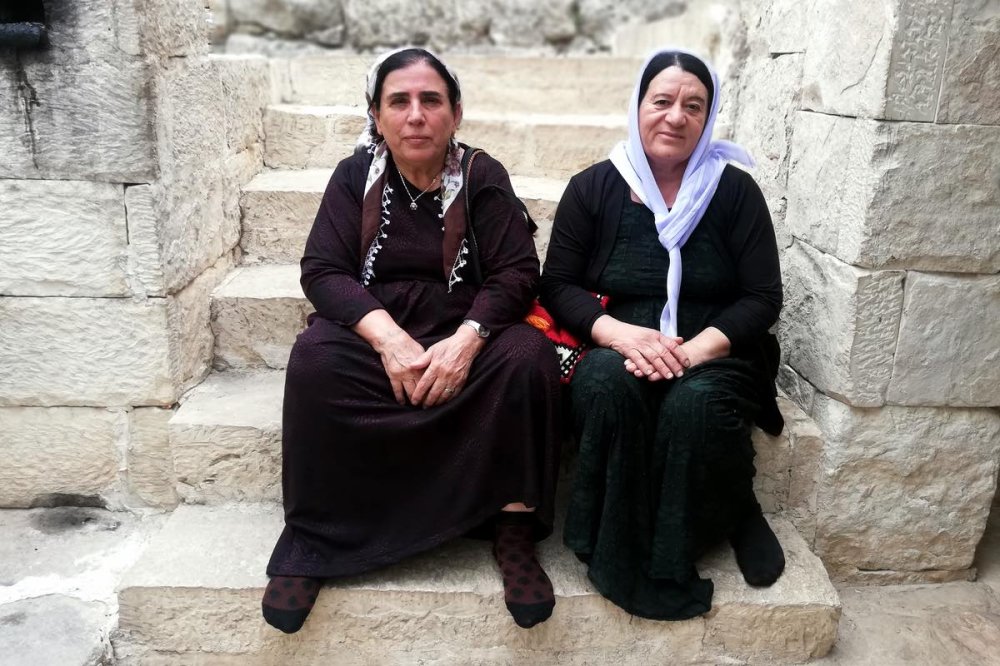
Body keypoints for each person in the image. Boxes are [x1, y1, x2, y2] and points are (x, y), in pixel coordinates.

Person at [262, 48, 561, 634]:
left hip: (462, 331)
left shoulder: (482, 176)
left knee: (527, 359)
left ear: (455, 113)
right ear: (377, 115)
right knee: (316, 361)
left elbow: (518, 273)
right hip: (381, 332)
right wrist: (388, 339)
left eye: (431, 100)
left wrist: (466, 342)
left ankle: (513, 527)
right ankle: (316, 534)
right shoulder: (354, 177)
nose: (416, 114)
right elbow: (323, 270)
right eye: (399, 101)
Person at [538, 48, 786, 620]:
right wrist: (620, 336)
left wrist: (694, 350)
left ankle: (730, 509)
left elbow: (762, 297)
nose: (676, 116)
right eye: (663, 101)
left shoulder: (734, 191)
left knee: (694, 407)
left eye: (693, 106)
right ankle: (616, 540)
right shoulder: (593, 188)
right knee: (604, 389)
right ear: (638, 106)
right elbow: (558, 284)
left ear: (708, 116)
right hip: (619, 340)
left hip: (715, 344)